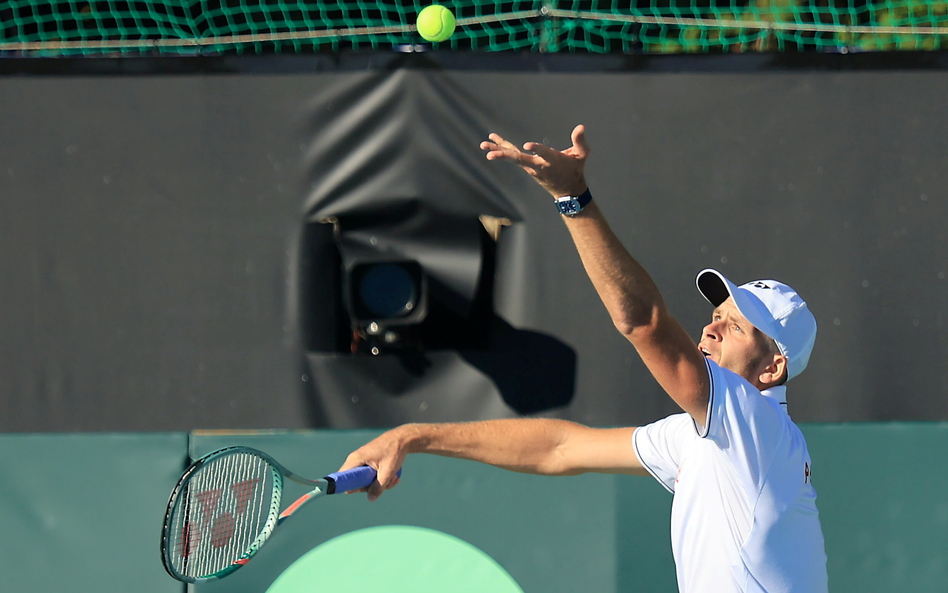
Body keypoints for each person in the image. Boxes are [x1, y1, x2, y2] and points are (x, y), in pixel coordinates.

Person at [338, 125, 829, 593]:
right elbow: (560, 449)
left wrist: (572, 198)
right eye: (716, 314)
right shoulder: (708, 436)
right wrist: (412, 436)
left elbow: (644, 324)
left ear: (771, 369)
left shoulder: (756, 425)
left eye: (735, 327)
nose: (710, 328)